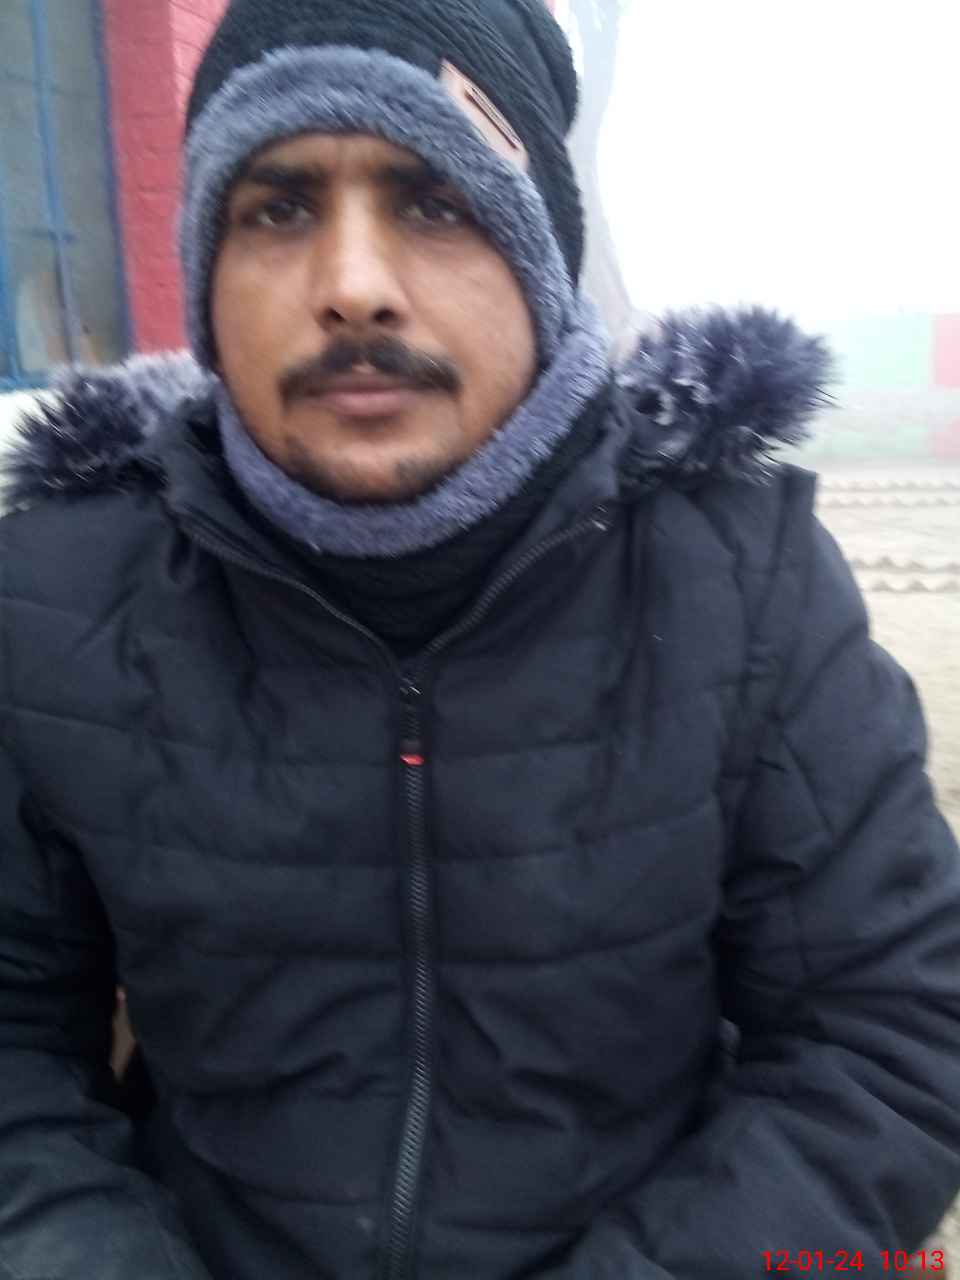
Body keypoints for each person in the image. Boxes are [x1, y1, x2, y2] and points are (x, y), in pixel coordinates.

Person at [0, 2, 958, 1277]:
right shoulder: (61, 597)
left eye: (435, 202)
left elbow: (890, 1034)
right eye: (278, 208)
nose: (352, 284)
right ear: (206, 282)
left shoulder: (743, 581)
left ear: (543, 262)